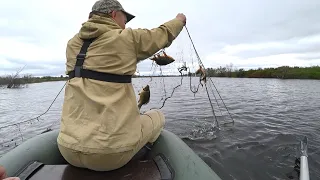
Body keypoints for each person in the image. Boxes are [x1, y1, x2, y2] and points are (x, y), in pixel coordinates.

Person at [57, 0, 186, 171]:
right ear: (113, 14)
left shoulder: (72, 44)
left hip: (67, 148)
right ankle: (142, 157)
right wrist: (179, 20)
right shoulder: (127, 38)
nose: (125, 26)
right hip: (111, 155)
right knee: (158, 116)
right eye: (124, 21)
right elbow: (161, 34)